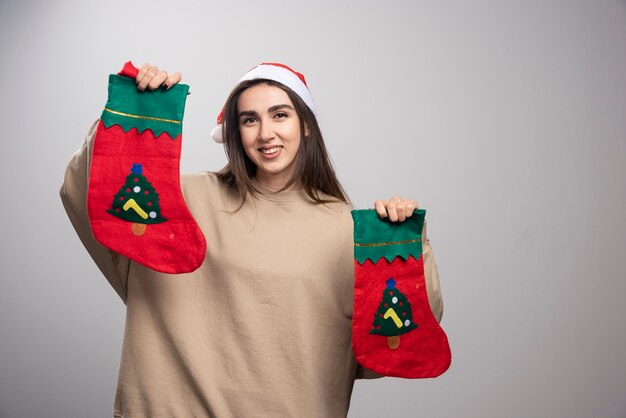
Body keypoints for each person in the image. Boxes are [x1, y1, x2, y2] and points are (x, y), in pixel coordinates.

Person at [60, 62, 443, 418]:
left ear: (305, 125)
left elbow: (393, 344)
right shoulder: (181, 201)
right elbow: (89, 196)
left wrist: (407, 244)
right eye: (249, 119)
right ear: (235, 131)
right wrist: (128, 113)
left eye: (280, 114)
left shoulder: (349, 230)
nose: (265, 133)